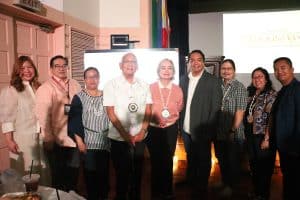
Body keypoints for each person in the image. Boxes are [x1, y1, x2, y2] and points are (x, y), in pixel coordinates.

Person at [103, 52, 152, 200]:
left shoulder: (144, 84)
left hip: (139, 137)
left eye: (133, 62)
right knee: (121, 174)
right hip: (119, 139)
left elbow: (148, 109)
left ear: (137, 66)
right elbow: (110, 113)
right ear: (120, 65)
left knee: (138, 173)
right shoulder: (111, 84)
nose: (130, 64)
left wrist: (143, 131)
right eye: (127, 62)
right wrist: (126, 136)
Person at [179, 49, 222, 197]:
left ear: (203, 62)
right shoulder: (183, 80)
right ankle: (191, 181)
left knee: (203, 159)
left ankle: (202, 187)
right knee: (190, 156)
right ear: (189, 62)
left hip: (202, 130)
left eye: (199, 60)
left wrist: (209, 130)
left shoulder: (213, 81)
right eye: (193, 60)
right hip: (185, 128)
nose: (195, 62)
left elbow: (216, 108)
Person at [0, 56, 49, 185]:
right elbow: (7, 118)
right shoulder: (11, 90)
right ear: (17, 71)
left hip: (40, 136)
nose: (27, 70)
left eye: (30, 67)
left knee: (41, 172)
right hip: (23, 139)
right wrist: (9, 140)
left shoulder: (39, 88)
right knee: (26, 173)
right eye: (22, 68)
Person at [35, 55, 81, 191]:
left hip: (75, 138)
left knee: (74, 175)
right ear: (51, 69)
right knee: (59, 177)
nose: (61, 68)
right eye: (57, 66)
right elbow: (43, 116)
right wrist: (48, 138)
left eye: (64, 65)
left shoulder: (74, 84)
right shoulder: (45, 88)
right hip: (57, 140)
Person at [68, 67, 110, 200]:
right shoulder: (79, 97)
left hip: (105, 143)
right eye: (89, 77)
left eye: (95, 76)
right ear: (85, 80)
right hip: (88, 144)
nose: (92, 79)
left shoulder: (107, 95)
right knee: (91, 178)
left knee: (104, 177)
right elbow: (74, 121)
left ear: (99, 78)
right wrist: (79, 141)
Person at [146, 58, 184, 200]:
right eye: (163, 68)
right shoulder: (150, 88)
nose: (166, 70)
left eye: (169, 68)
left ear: (173, 71)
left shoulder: (178, 90)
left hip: (170, 129)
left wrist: (167, 119)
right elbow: (146, 108)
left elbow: (179, 107)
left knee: (168, 159)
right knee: (156, 160)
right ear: (158, 71)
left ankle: (167, 191)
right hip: (153, 128)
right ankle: (156, 192)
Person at [214, 59, 247, 198]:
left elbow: (240, 111)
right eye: (223, 68)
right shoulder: (218, 85)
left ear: (234, 71)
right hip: (219, 131)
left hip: (233, 132)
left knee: (233, 161)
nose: (226, 71)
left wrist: (233, 130)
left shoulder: (239, 87)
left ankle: (231, 187)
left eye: (229, 68)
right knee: (222, 158)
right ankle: (225, 182)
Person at [244, 67, 277, 200]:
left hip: (263, 136)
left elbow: (272, 118)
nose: (257, 79)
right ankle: (257, 192)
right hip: (251, 136)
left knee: (264, 168)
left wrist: (267, 138)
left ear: (266, 79)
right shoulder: (251, 94)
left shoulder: (271, 94)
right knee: (254, 166)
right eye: (254, 77)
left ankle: (263, 195)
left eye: (260, 76)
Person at [271, 57, 300, 200]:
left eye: (283, 68)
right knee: (289, 183)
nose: (279, 72)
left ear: (292, 70)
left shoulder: (297, 89)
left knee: (295, 185)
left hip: (294, 149)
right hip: (285, 148)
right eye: (276, 69)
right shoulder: (283, 90)